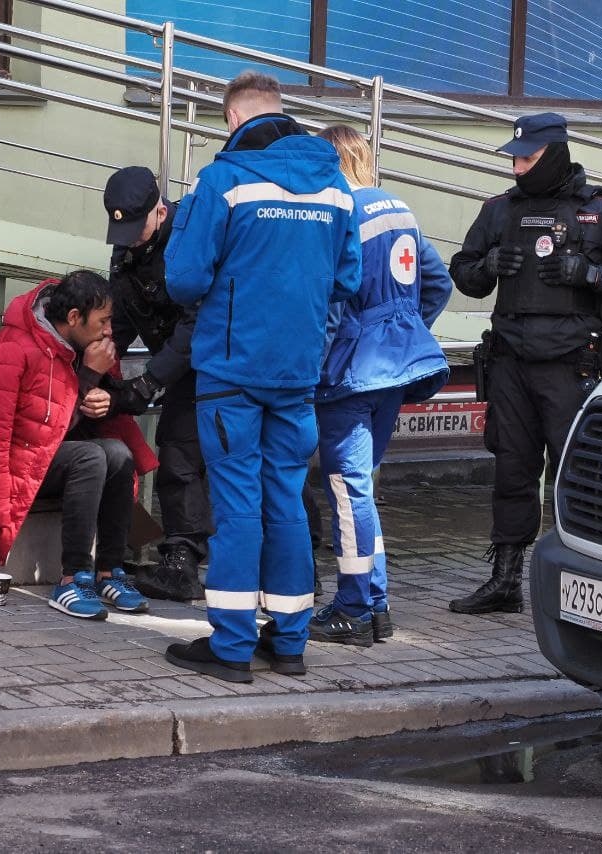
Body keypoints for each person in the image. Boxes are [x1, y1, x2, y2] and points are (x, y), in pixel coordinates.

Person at [162, 71, 361, 682]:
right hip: (297, 372)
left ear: (231, 119)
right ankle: (291, 641)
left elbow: (184, 279)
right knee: (288, 502)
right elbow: (348, 282)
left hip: (232, 372)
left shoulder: (222, 180)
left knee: (238, 506)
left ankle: (230, 648)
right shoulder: (335, 186)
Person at [447, 112, 602, 615]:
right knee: (512, 468)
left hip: (572, 364)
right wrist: (488, 266)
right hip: (511, 363)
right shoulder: (500, 209)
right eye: (515, 158)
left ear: (556, 154)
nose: (518, 168)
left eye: (528, 158)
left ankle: (588, 583)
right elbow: (464, 271)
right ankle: (505, 581)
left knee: (575, 471)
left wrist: (587, 273)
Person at [0, 271, 159, 620]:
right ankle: (74, 577)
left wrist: (105, 389)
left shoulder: (87, 349)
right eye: (103, 321)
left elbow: (95, 416)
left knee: (118, 454)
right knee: (90, 457)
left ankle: (109, 571)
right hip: (15, 462)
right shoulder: (15, 348)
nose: (109, 331)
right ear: (74, 318)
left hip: (49, 457)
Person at [309, 125, 452, 646]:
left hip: (350, 371)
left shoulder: (339, 215)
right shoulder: (400, 208)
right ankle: (377, 602)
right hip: (395, 366)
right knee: (362, 489)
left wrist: (311, 371)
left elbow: (330, 305)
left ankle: (352, 606)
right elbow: (438, 282)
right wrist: (404, 327)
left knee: (348, 492)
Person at [103, 166, 208, 602]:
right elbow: (122, 316)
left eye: (135, 226)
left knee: (193, 454)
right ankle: (182, 557)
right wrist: (96, 367)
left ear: (160, 211)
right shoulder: (128, 249)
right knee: (180, 451)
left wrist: (149, 381)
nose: (127, 237)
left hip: (215, 359)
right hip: (179, 363)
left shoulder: (192, 238)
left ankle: (184, 562)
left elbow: (195, 322)